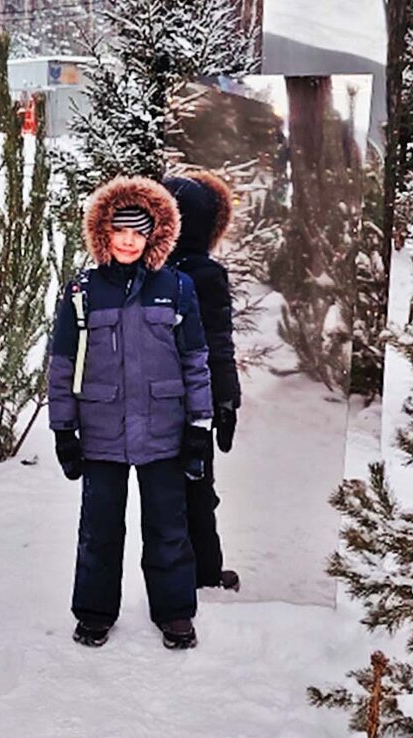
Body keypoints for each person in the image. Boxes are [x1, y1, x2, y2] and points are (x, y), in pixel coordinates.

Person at [48, 176, 214, 650]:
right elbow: (61, 365)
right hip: (101, 432)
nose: (127, 240)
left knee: (168, 528)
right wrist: (64, 430)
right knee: (100, 530)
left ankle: (175, 612)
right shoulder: (82, 291)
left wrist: (199, 426)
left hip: (164, 431)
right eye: (119, 230)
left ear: (154, 236)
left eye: (138, 232)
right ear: (103, 232)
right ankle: (95, 611)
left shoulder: (176, 288)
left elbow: (195, 359)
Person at [162, 172, 243, 593]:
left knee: (171, 494)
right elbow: (218, 343)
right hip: (193, 402)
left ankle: (181, 572)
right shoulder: (207, 275)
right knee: (197, 489)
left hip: (154, 399)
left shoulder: (143, 267)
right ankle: (205, 574)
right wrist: (226, 399)